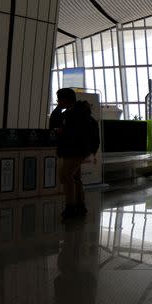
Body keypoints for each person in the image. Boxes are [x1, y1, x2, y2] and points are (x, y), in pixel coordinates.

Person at [50, 88, 99, 218]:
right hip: (79, 150)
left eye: (59, 100)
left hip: (74, 150)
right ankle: (80, 205)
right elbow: (55, 121)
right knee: (75, 178)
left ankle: (70, 207)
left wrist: (62, 131)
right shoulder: (79, 112)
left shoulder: (74, 114)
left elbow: (72, 131)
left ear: (65, 100)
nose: (58, 102)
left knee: (65, 176)